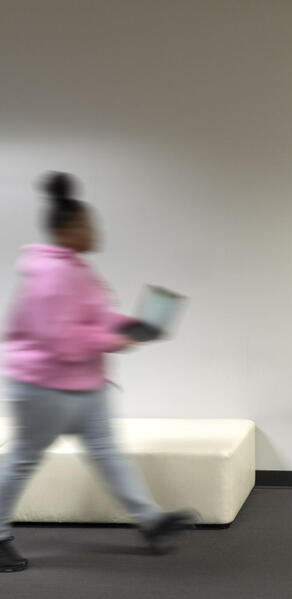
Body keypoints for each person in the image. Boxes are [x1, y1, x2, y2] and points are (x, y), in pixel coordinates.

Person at [0, 172, 193, 573]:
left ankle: (151, 522)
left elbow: (95, 317)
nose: (95, 231)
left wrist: (128, 325)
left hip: (84, 383)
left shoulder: (76, 268)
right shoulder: (50, 274)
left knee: (106, 451)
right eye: (87, 225)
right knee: (23, 459)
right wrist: (115, 340)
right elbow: (61, 340)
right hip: (43, 385)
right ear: (65, 231)